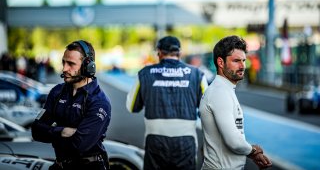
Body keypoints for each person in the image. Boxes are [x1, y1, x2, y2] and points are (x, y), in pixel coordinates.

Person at [126, 36, 208, 170]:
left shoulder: (144, 73)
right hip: (186, 141)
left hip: (155, 140)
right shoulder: (197, 74)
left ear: (159, 52)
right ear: (180, 53)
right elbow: (208, 111)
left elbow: (131, 107)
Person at [31, 40, 111, 170]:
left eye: (71, 64)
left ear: (88, 66)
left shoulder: (99, 101)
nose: (64, 69)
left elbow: (79, 145)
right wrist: (62, 131)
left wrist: (51, 131)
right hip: (59, 165)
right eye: (63, 62)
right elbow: (36, 131)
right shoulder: (57, 91)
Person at [199, 35, 272, 170]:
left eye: (244, 60)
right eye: (236, 61)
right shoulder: (219, 92)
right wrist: (253, 151)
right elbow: (233, 141)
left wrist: (251, 153)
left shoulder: (224, 89)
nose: (242, 66)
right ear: (221, 63)